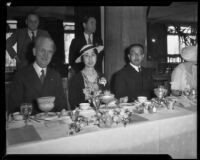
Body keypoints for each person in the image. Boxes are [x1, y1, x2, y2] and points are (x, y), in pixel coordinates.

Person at [8, 36, 68, 115]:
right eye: (42, 50)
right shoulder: (20, 76)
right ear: (34, 51)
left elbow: (62, 106)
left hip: (53, 124)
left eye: (50, 52)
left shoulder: (56, 76)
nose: (46, 55)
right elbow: (13, 108)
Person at [68, 44, 108, 110]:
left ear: (96, 57)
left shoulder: (102, 76)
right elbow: (72, 102)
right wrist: (86, 98)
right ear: (82, 59)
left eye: (93, 55)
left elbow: (107, 95)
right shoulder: (76, 79)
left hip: (102, 113)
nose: (90, 59)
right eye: (86, 55)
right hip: (84, 115)